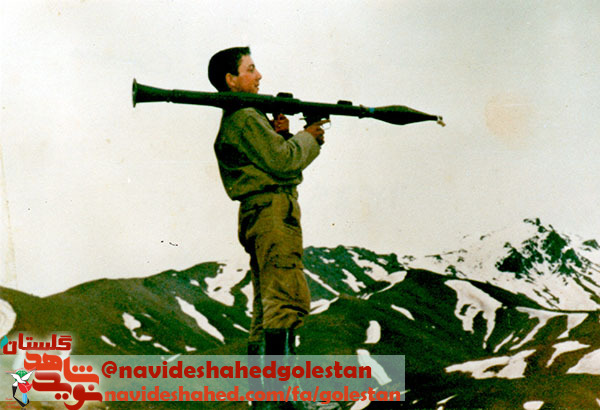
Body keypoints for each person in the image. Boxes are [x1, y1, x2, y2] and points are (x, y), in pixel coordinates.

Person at [208, 47, 327, 359]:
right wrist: (309, 137)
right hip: (272, 213)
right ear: (231, 80)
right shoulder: (246, 117)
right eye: (250, 70)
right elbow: (284, 162)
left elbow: (272, 160)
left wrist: (285, 137)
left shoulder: (243, 117)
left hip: (261, 212)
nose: (258, 76)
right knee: (285, 300)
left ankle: (265, 387)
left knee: (268, 304)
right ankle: (281, 387)